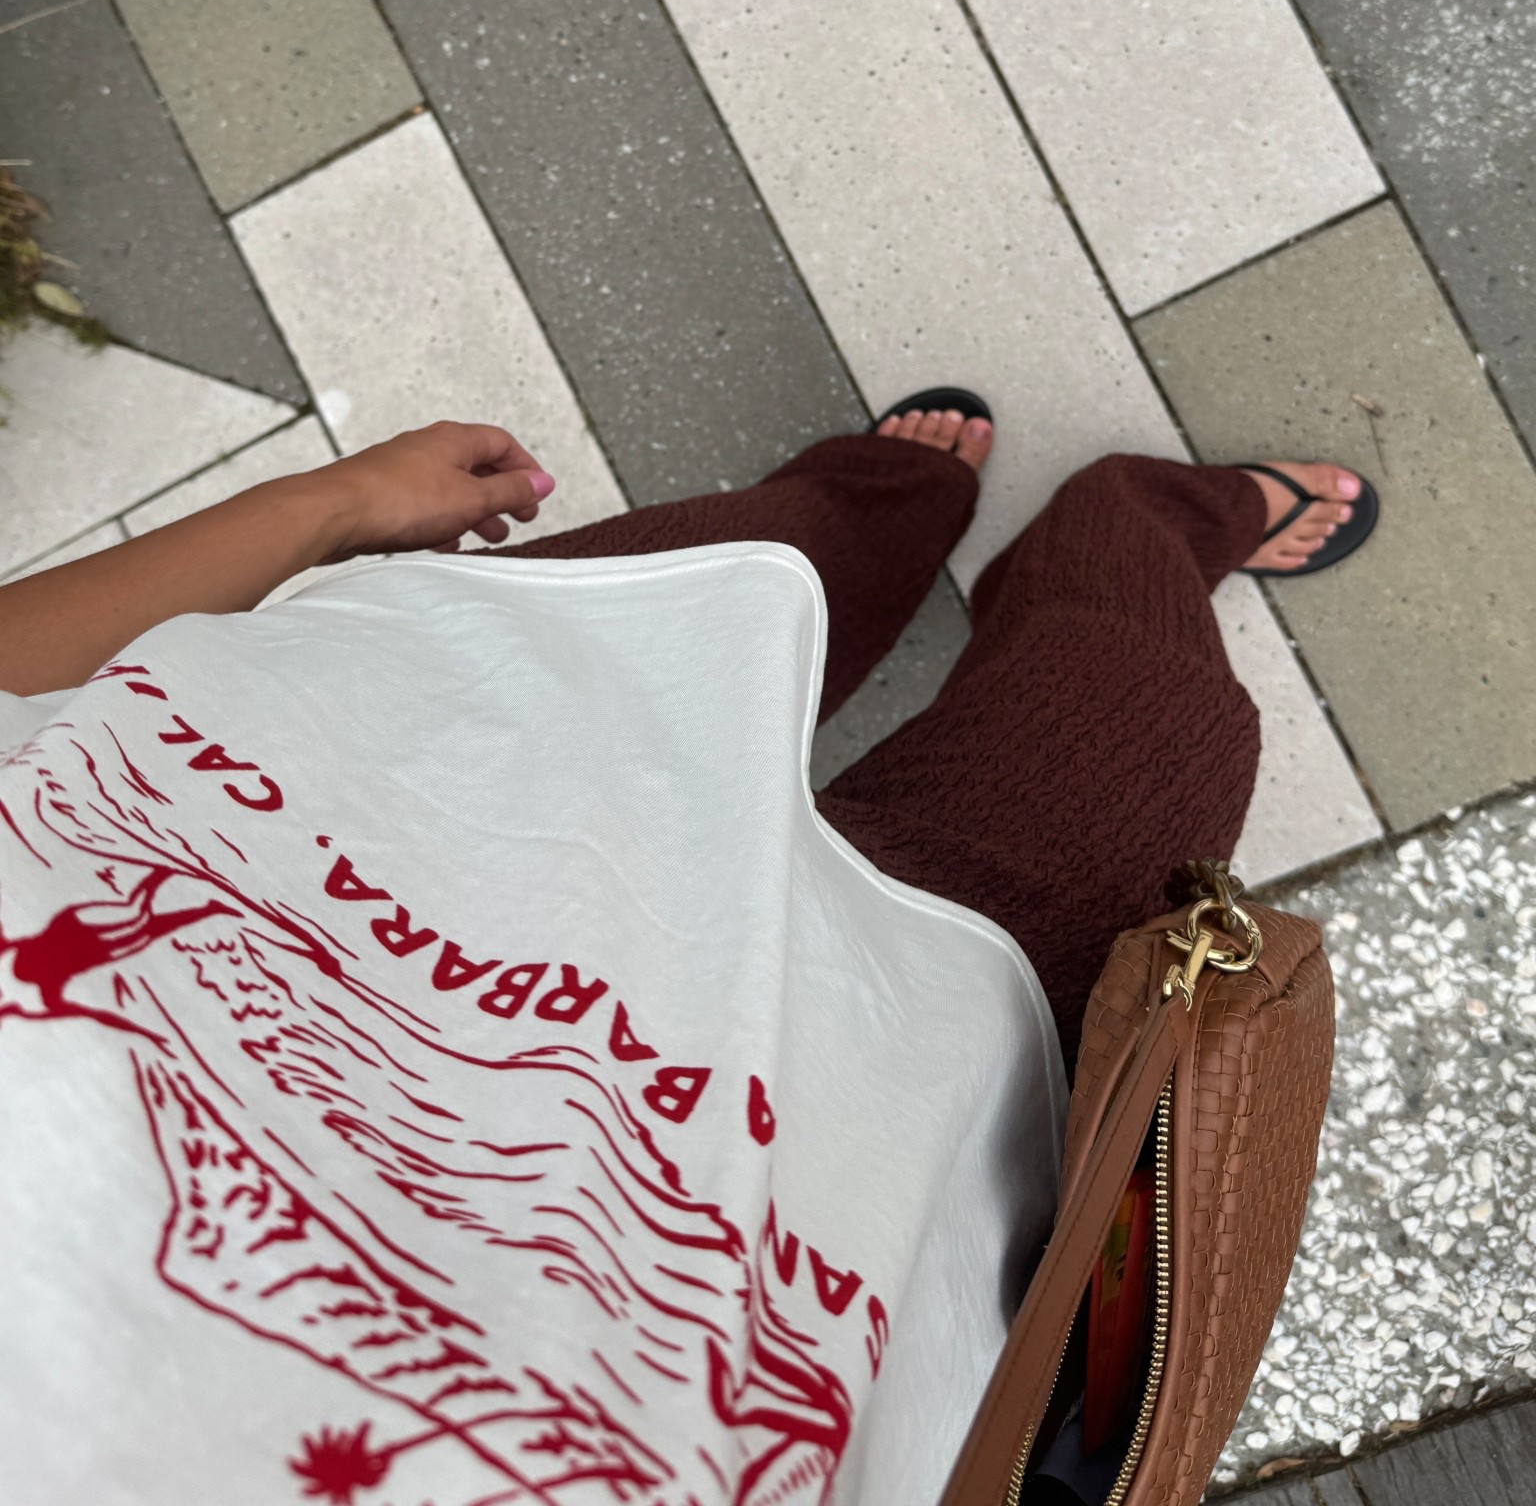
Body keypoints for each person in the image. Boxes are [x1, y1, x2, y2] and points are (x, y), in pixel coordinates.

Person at [0, 401, 1374, 1506]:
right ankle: (1133, 520)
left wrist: (335, 505)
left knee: (773, 560)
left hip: (420, 742)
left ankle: (893, 501)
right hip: (905, 1105)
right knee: (1150, 701)